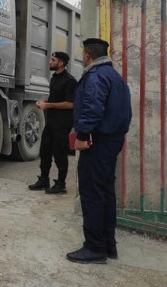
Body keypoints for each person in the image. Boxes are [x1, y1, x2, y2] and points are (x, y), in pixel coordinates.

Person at [66, 38, 132, 264]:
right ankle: (108, 244)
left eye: (83, 54)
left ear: (87, 55)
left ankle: (94, 248)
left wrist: (82, 135)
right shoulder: (114, 76)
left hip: (98, 142)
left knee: (92, 193)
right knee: (105, 192)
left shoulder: (95, 76)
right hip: (112, 141)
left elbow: (92, 108)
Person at [28, 51, 77, 194]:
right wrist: (44, 102)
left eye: (53, 60)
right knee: (45, 150)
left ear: (60, 63)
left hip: (62, 123)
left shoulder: (70, 81)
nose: (50, 61)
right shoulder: (54, 78)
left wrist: (48, 105)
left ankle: (61, 184)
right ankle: (44, 180)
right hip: (51, 121)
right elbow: (55, 98)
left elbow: (70, 104)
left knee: (60, 152)